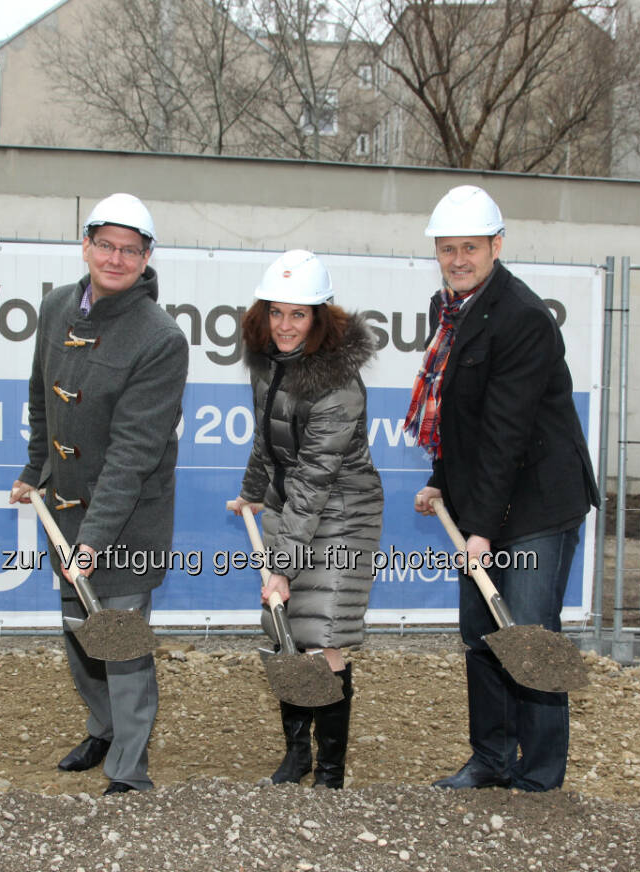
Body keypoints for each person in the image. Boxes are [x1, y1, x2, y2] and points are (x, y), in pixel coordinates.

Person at [408, 185, 599, 792]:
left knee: (530, 638)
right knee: (483, 637)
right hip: (486, 501)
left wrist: (482, 528)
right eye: (447, 248)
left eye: (470, 246)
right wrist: (443, 482)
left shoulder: (521, 318)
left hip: (539, 503)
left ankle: (539, 775)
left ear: (496, 245)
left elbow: (507, 433)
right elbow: (463, 420)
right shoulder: (455, 311)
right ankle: (490, 758)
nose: (458, 258)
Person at [9, 193, 188, 796]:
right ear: (85, 245)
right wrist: (36, 470)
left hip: (127, 518)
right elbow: (42, 400)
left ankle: (129, 769)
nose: (116, 258)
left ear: (146, 258)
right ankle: (104, 727)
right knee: (77, 631)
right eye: (105, 244)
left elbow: (135, 453)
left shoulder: (160, 339)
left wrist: (94, 540)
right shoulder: (57, 306)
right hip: (63, 508)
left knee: (121, 638)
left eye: (130, 249)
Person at [227, 249, 382, 789]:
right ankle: (297, 755)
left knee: (322, 641)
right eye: (276, 312)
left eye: (299, 314)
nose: (285, 325)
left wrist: (283, 567)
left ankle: (331, 770)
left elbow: (316, 479)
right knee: (283, 633)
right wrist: (250, 493)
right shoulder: (267, 364)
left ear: (320, 317)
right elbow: (267, 440)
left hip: (341, 515)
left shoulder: (338, 385)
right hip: (288, 506)